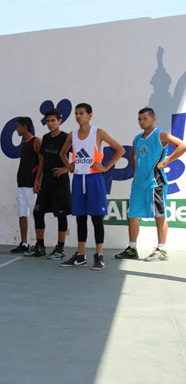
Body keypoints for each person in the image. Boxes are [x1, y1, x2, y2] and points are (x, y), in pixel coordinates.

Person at [59, 103, 125, 270]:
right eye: (76, 113)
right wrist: (69, 165)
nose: (78, 116)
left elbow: (120, 150)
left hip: (94, 179)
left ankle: (99, 255)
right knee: (80, 218)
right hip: (78, 179)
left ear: (90, 115)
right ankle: (81, 255)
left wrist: (106, 167)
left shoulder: (98, 132)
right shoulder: (72, 135)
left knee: (96, 218)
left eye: (81, 113)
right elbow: (62, 153)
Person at [116, 108, 186, 262]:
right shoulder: (137, 138)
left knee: (159, 215)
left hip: (156, 182)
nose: (142, 122)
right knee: (132, 215)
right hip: (139, 183)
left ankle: (161, 249)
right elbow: (132, 154)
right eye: (139, 119)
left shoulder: (161, 135)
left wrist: (166, 161)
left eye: (145, 118)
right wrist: (137, 171)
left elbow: (182, 146)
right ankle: (132, 248)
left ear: (153, 119)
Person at [32, 109, 71, 260]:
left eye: (53, 120)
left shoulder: (67, 137)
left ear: (60, 121)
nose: (50, 124)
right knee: (38, 212)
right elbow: (42, 161)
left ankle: (60, 248)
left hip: (60, 183)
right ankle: (40, 246)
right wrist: (37, 179)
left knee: (61, 215)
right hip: (46, 181)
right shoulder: (45, 138)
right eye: (47, 121)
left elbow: (80, 156)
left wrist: (66, 168)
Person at [11, 117, 41, 254]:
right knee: (22, 214)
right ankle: (24, 243)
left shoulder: (36, 141)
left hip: (31, 186)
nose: (17, 129)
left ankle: (39, 244)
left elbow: (42, 162)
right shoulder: (24, 143)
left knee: (36, 214)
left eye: (18, 127)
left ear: (25, 127)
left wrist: (37, 180)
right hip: (21, 184)